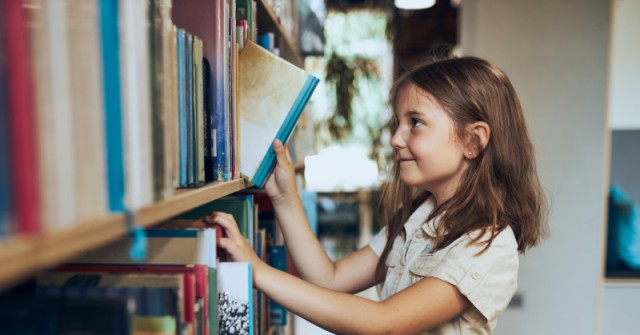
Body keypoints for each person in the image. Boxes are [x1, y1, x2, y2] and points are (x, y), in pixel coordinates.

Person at [206, 55, 548, 334]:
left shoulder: (487, 244)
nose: (395, 138)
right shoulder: (417, 219)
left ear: (472, 142)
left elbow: (384, 323)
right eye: (397, 122)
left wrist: (257, 270)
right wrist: (284, 197)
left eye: (415, 122)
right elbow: (331, 279)